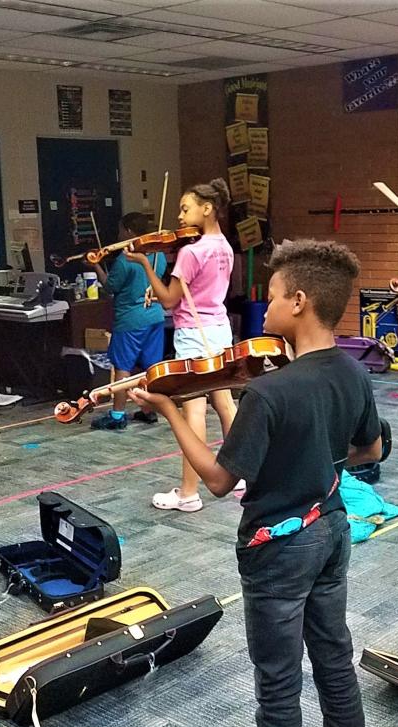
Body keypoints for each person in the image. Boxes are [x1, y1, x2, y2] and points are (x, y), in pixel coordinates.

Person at [130, 240, 382, 727]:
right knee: (334, 657)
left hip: (279, 548)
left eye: (268, 297)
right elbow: (372, 450)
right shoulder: (352, 370)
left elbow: (219, 481)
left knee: (278, 683)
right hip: (332, 528)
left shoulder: (268, 393)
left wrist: (173, 411)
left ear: (298, 302)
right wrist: (321, 455)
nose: (261, 308)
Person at [134, 178, 240, 511]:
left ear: (207, 208)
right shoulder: (224, 246)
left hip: (194, 335)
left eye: (185, 208)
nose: (179, 217)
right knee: (224, 403)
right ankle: (244, 476)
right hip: (219, 330)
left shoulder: (191, 252)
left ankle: (188, 492)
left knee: (192, 409)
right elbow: (200, 291)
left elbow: (168, 300)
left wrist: (146, 266)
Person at [87, 212, 167, 431]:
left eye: (121, 230)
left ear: (129, 232)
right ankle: (149, 411)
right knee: (151, 368)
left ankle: (117, 415)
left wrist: (96, 266)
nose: (118, 234)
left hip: (130, 319)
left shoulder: (125, 259)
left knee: (123, 367)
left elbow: (110, 288)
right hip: (155, 316)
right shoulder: (158, 255)